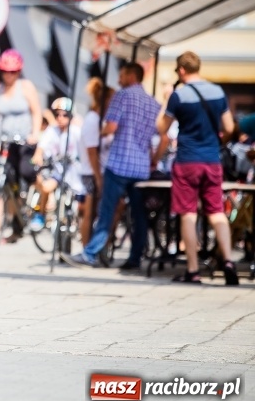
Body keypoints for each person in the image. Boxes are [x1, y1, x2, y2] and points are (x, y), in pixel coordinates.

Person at [71, 61, 165, 269]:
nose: (118, 80)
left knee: (106, 211)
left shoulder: (122, 96)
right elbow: (164, 137)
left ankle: (90, 253)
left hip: (120, 163)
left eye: (121, 75)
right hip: (141, 167)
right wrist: (154, 158)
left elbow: (111, 127)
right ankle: (135, 257)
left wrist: (101, 132)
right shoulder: (153, 103)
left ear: (132, 76)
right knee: (139, 215)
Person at [156, 51, 239, 285]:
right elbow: (229, 127)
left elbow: (162, 128)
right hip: (212, 160)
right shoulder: (218, 92)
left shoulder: (179, 96)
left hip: (187, 161)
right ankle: (229, 261)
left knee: (188, 214)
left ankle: (193, 270)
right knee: (216, 212)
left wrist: (165, 99)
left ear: (182, 70)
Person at [0, 49, 43, 240]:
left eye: (13, 72)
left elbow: (37, 112)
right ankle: (16, 225)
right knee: (10, 182)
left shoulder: (26, 86)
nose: (9, 75)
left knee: (28, 172)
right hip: (8, 143)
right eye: (6, 71)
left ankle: (40, 207)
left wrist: (35, 134)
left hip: (25, 142)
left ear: (19, 71)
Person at [29, 98, 82, 232]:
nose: (60, 118)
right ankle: (41, 213)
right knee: (45, 184)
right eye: (57, 114)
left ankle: (79, 223)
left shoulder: (76, 131)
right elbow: (41, 147)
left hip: (74, 171)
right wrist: (37, 156)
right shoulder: (52, 130)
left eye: (64, 115)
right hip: (58, 170)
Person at [77, 78, 115, 246]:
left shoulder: (100, 120)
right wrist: (99, 178)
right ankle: (86, 247)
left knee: (95, 212)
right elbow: (91, 152)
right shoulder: (93, 119)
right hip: (92, 172)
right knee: (90, 213)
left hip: (96, 171)